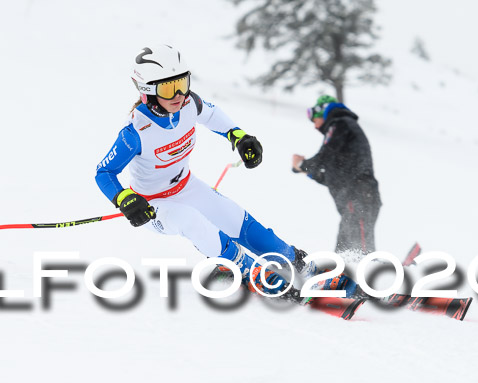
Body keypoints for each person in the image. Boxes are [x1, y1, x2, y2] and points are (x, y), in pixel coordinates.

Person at [95, 44, 315, 298]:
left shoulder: (189, 103)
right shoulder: (136, 131)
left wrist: (238, 136)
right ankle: (245, 271)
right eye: (168, 88)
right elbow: (104, 172)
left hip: (187, 187)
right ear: (147, 92)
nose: (179, 94)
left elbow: (211, 115)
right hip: (153, 205)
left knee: (245, 226)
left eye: (182, 82)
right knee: (190, 220)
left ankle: (300, 264)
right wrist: (123, 197)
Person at [292, 95, 381, 255]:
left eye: (314, 120)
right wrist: (307, 172)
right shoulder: (342, 133)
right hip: (356, 199)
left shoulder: (340, 124)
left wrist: (302, 165)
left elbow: (325, 154)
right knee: (345, 250)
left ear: (322, 111)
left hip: (359, 195)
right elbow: (332, 178)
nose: (314, 126)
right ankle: (341, 275)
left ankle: (372, 273)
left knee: (359, 248)